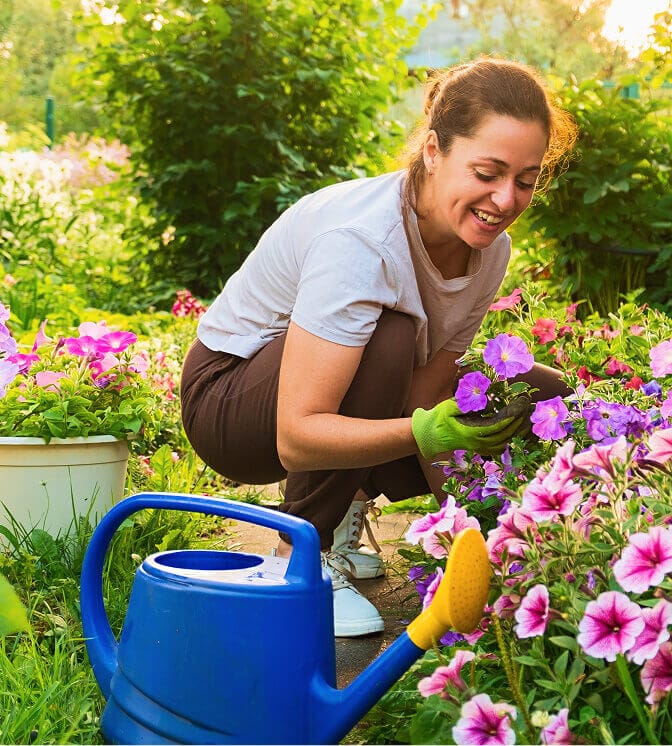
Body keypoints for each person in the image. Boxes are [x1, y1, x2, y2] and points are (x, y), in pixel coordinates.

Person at [180, 56, 578, 637]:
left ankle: (347, 502)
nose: (505, 199)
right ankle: (300, 555)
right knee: (389, 339)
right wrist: (426, 433)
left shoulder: (491, 249)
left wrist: (472, 546)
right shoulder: (363, 240)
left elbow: (429, 392)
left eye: (525, 179)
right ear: (435, 151)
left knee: (537, 393)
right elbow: (296, 434)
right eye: (487, 172)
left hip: (344, 387)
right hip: (231, 401)